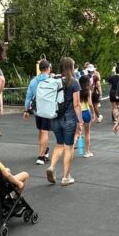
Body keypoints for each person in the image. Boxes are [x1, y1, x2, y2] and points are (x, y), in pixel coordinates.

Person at [46, 57, 82, 186]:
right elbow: (77, 104)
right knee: (69, 147)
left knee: (59, 144)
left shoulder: (54, 80)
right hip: (69, 118)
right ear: (72, 67)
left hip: (55, 117)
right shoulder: (74, 82)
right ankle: (66, 177)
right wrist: (81, 121)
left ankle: (52, 166)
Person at [23, 59, 54, 165]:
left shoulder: (33, 81)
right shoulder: (51, 80)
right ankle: (41, 157)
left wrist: (26, 110)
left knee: (41, 131)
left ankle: (44, 150)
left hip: (37, 109)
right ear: (48, 68)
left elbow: (28, 96)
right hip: (47, 109)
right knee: (45, 131)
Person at [78, 75, 94, 157]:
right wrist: (93, 113)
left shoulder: (77, 90)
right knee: (87, 133)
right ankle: (87, 152)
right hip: (86, 112)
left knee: (77, 133)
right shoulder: (88, 91)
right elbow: (90, 104)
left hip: (78, 113)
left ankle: (71, 150)